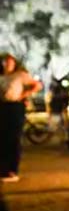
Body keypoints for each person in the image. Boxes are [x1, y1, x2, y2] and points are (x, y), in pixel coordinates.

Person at [0, 54, 40, 182]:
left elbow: (37, 85)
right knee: (3, 139)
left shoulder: (20, 75)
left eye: (9, 62)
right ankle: (3, 169)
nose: (7, 65)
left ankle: (12, 170)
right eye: (4, 62)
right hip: (3, 106)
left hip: (15, 106)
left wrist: (24, 94)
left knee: (13, 138)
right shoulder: (2, 77)